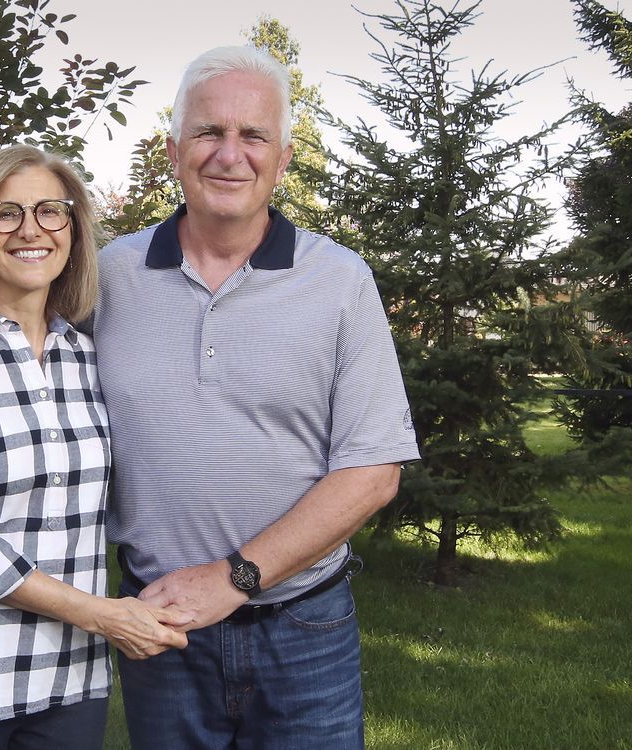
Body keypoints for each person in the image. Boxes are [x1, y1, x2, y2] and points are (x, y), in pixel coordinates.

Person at [90, 46, 421, 748]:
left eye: (253, 136)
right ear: (173, 149)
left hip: (305, 627)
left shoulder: (339, 281)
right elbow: (20, 372)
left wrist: (234, 577)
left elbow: (373, 471)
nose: (229, 155)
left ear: (285, 157)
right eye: (209, 132)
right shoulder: (106, 277)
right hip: (160, 628)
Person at [0, 144, 187, 750]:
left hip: (66, 684)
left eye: (52, 211)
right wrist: (106, 615)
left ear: (72, 229)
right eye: (6, 213)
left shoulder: (90, 358)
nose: (31, 230)